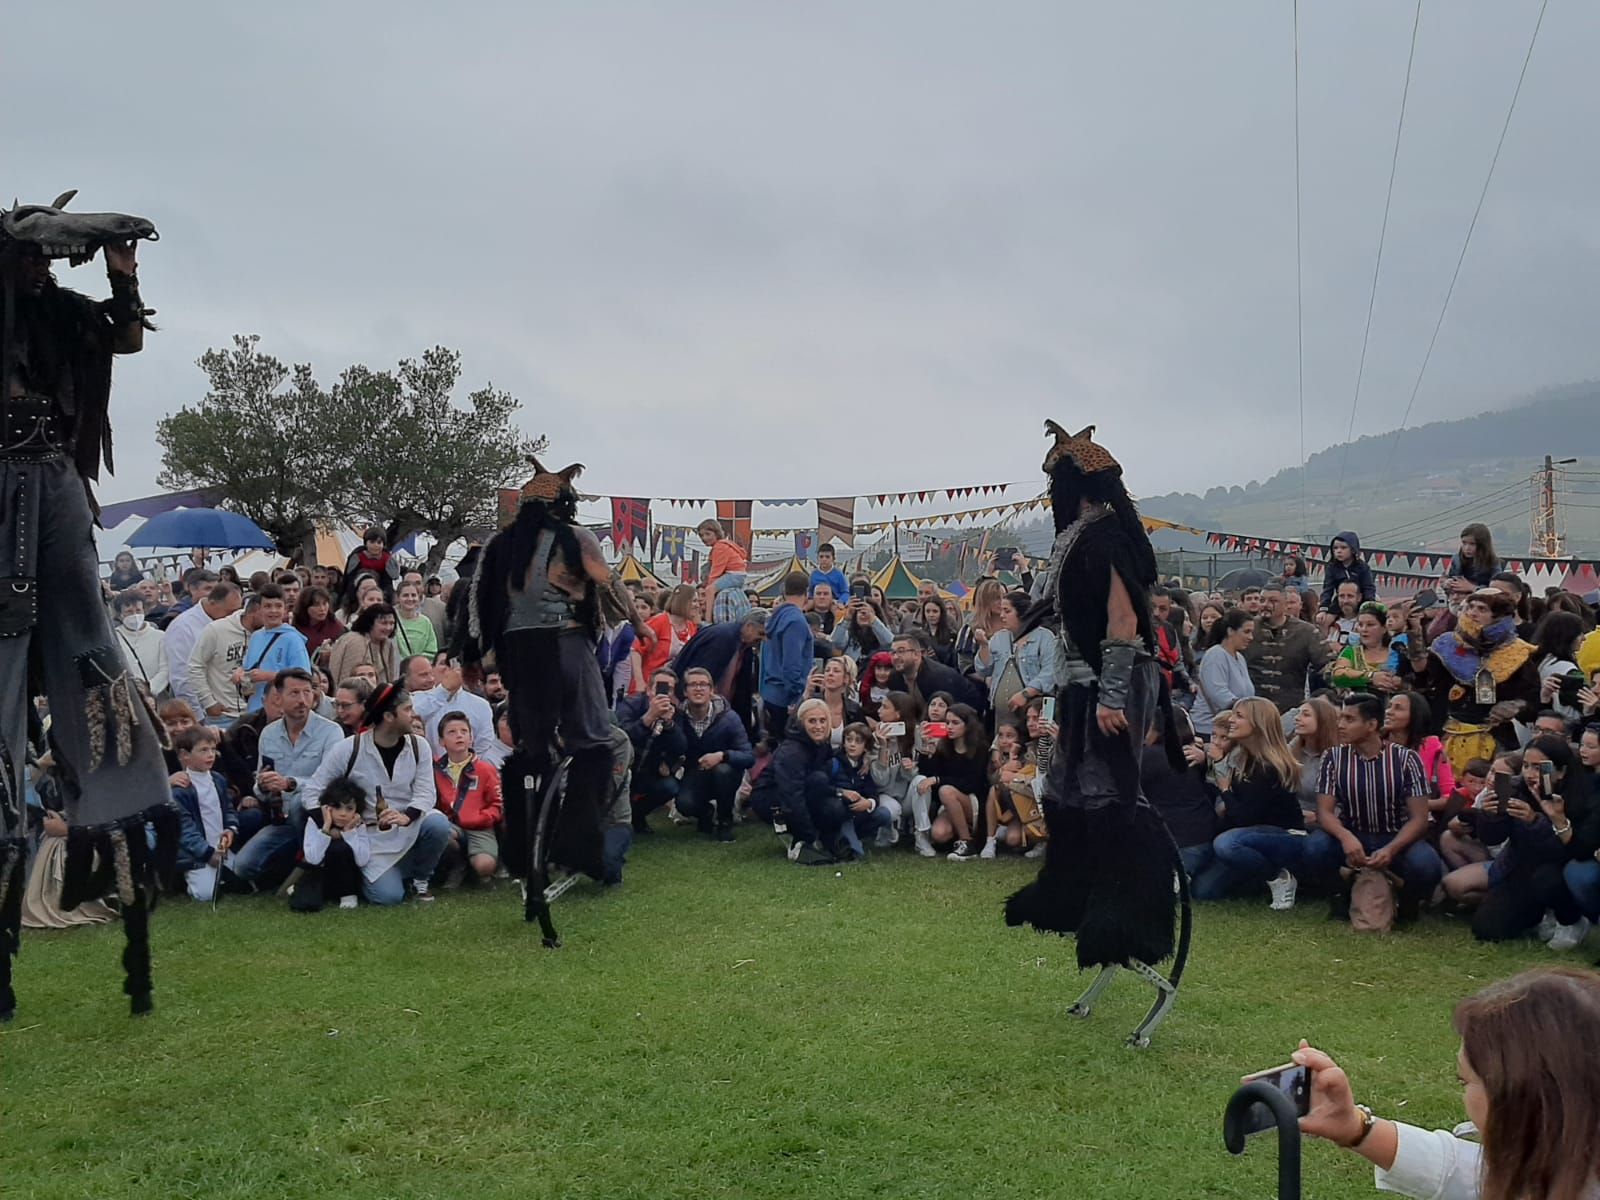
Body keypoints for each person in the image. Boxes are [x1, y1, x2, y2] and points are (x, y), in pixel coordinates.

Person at [1003, 422, 1188, 1046]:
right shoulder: (1076, 538)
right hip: (1084, 682)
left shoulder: (1103, 537)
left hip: (1115, 682)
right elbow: (1064, 616)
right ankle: (1069, 893)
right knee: (1065, 790)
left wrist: (1110, 697)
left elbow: (1122, 619)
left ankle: (1132, 921)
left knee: (1114, 798)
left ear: (1074, 486)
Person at [459, 456, 646, 886]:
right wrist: (636, 624)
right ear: (564, 504)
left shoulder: (499, 546)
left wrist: (483, 654)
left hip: (518, 653)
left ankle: (525, 854)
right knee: (594, 741)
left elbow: (480, 607)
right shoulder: (574, 537)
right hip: (566, 645)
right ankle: (578, 845)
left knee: (532, 753)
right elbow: (609, 584)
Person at [1297, 968, 1600, 1200]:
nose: (1464, 1097)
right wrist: (1355, 1126)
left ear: (1519, 1099)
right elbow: (1463, 1170)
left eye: (1465, 1080)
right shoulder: (1570, 1164)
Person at [301, 683, 449, 905]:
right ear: (389, 716)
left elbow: (426, 793)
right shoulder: (348, 748)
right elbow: (312, 792)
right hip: (370, 838)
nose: (413, 715)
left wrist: (407, 816)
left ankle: (421, 881)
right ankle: (371, 876)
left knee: (438, 823)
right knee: (388, 897)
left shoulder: (420, 746)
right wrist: (333, 825)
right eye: (407, 709)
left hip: (409, 826)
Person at [1301, 693, 1443, 921]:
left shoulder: (1406, 759)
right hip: (1354, 832)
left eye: (1349, 719)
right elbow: (1324, 812)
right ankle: (1340, 896)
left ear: (1371, 725)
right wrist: (1346, 837)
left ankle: (1408, 903)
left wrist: (1392, 849)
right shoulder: (1334, 757)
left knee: (1427, 866)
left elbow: (1419, 818)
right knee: (1314, 848)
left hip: (1397, 835)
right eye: (1341, 718)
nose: (1340, 725)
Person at [1447, 737, 1596, 947]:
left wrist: (1535, 821)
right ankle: (1535, 916)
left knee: (1547, 879)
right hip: (1520, 867)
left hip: (1558, 871)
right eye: (1526, 766)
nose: (1530, 774)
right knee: (1487, 929)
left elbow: (1568, 850)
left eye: (1539, 768)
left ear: (1561, 772)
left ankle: (1570, 919)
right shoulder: (1513, 787)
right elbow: (1493, 838)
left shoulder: (1578, 797)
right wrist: (1490, 816)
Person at [227, 668, 346, 891]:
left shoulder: (331, 732)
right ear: (278, 698)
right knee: (243, 867)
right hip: (281, 820)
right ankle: (289, 872)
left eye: (307, 692)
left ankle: (313, 870)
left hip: (317, 820)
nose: (302, 700)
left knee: (301, 800)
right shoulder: (269, 734)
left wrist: (291, 783)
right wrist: (262, 785)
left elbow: (332, 785)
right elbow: (260, 783)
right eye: (294, 693)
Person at [1409, 588, 1540, 775]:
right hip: (1448, 733)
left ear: (1499, 616)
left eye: (1482, 609)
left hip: (1496, 739)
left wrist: (1515, 706)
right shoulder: (1448, 645)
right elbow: (1424, 677)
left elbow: (1533, 699)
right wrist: (1414, 633)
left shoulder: (1516, 653)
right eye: (1470, 607)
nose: (1473, 613)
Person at [1198, 697, 1305, 908]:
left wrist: (1226, 789)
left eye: (1239, 716)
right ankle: (1255, 881)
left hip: (1284, 837)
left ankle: (1279, 877)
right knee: (1203, 891)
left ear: (1258, 724)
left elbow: (1244, 816)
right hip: (1247, 833)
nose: (1231, 720)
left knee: (1227, 844)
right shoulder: (1242, 759)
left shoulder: (1270, 766)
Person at [748, 697, 845, 865]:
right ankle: (801, 839)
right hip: (770, 798)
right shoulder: (792, 751)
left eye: (823, 721)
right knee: (819, 783)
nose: (818, 726)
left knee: (834, 804)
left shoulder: (822, 743)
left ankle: (827, 840)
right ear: (801, 723)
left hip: (799, 792)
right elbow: (791, 796)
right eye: (812, 721)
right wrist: (808, 835)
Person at [671, 667, 755, 842]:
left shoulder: (729, 718)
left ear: (712, 690)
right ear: (685, 691)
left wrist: (722, 756)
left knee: (723, 771)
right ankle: (706, 813)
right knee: (684, 804)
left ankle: (725, 820)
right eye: (693, 685)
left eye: (703, 684)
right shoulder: (677, 717)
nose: (699, 689)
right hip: (694, 773)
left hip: (726, 773)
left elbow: (748, 757)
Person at [432, 710, 503, 884]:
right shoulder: (434, 771)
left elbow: (497, 803)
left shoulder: (486, 770)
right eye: (452, 732)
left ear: (471, 738)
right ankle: (457, 865)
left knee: (484, 865)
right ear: (441, 741)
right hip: (451, 826)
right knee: (442, 835)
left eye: (464, 732)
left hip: (479, 827)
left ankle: (478, 868)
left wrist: (482, 817)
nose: (459, 736)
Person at [169, 727, 238, 903]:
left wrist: (231, 828)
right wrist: (207, 854)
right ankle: (184, 880)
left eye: (213, 749)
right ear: (185, 755)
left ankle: (223, 875)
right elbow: (184, 830)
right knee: (205, 895)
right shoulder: (181, 790)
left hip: (222, 848)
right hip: (198, 854)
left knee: (244, 876)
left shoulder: (218, 780)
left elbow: (228, 809)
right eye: (203, 750)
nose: (211, 755)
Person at [1242, 581, 1329, 712]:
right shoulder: (1247, 628)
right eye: (1262, 600)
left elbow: (1326, 665)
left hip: (1290, 708)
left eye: (1273, 601)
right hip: (1252, 708)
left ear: (1285, 604)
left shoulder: (1306, 631)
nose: (1266, 605)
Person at [973, 590, 1055, 717]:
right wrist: (984, 646)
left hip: (1032, 714)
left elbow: (1049, 673)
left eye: (1007, 611)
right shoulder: (998, 638)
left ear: (1022, 614)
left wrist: (1025, 694)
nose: (1001, 615)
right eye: (1001, 611)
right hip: (1000, 716)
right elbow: (984, 670)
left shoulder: (1044, 637)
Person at [234, 583, 312, 714]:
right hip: (255, 707)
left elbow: (304, 676)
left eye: (278, 606)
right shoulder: (256, 636)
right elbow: (248, 666)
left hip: (281, 709)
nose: (273, 611)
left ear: (285, 610)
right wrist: (239, 673)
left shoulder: (292, 639)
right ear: (260, 609)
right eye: (268, 606)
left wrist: (268, 676)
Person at [188, 592, 261, 729]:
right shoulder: (216, 630)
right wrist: (208, 703)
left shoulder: (270, 634)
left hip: (258, 714)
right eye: (267, 609)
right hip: (223, 716)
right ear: (254, 611)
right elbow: (195, 666)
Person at [297, 780, 371, 910]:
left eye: (349, 808)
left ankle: (348, 895)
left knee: (340, 848)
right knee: (305, 903)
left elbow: (362, 860)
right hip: (322, 876)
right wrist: (326, 827)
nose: (343, 813)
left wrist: (349, 831)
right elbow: (313, 859)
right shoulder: (314, 821)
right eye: (337, 807)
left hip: (350, 879)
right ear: (327, 807)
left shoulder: (359, 825)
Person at [405, 656, 496, 761]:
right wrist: (444, 690)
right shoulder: (416, 698)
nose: (448, 669)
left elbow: (484, 747)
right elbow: (408, 718)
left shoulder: (481, 705)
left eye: (452, 664)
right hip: (427, 768)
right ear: (433, 669)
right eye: (443, 663)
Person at [759, 571, 814, 736]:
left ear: (784, 591)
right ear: (807, 592)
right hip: (786, 698)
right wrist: (796, 696)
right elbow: (791, 665)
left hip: (770, 692)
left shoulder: (775, 617)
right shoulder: (795, 621)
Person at [1384, 691, 1454, 809]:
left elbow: (1449, 797)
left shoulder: (1432, 748)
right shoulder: (1375, 745)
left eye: (1398, 708)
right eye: (1389, 706)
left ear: (1415, 715)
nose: (1388, 712)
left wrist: (1416, 806)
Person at [1191, 609, 1256, 736]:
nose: (1251, 637)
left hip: (1233, 727)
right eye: (1246, 632)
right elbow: (1219, 695)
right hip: (1209, 729)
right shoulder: (1216, 655)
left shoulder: (1240, 657)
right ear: (1230, 631)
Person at [870, 691, 921, 849]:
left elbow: (914, 776)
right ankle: (888, 827)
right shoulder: (875, 738)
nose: (879, 711)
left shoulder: (915, 734)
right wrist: (883, 747)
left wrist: (911, 769)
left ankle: (922, 837)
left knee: (921, 781)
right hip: (885, 795)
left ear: (898, 714)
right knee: (891, 810)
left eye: (885, 707)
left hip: (906, 795)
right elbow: (881, 781)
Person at [831, 722, 889, 859]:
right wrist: (842, 793)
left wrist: (869, 803)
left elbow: (873, 793)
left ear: (865, 747)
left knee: (884, 814)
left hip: (857, 814)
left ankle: (853, 838)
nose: (852, 744)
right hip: (840, 814)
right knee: (857, 855)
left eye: (858, 741)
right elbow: (824, 787)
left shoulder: (865, 766)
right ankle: (845, 842)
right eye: (849, 739)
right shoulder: (834, 761)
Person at [887, 629, 978, 713]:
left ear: (916, 654)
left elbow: (951, 711)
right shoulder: (894, 677)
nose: (895, 657)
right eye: (893, 652)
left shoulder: (938, 677)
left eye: (901, 651)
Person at [1330, 601, 1403, 694]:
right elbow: (1337, 675)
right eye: (1360, 625)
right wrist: (1371, 677)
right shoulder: (1351, 651)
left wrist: (1399, 683)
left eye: (1370, 625)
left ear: (1384, 628)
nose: (1364, 629)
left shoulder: (1397, 651)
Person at [112, 589, 170, 699]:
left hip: (157, 698)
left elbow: (165, 669)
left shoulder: (159, 636)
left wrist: (149, 689)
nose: (134, 615)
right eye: (129, 612)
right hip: (128, 698)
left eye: (138, 610)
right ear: (120, 615)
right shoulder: (115, 638)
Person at [326, 603, 400, 688]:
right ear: (370, 623)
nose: (388, 628)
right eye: (384, 623)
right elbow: (346, 678)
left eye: (392, 623)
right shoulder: (355, 642)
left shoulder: (388, 643)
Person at [697, 518, 751, 624]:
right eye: (702, 535)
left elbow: (716, 570)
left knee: (709, 590)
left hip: (734, 574)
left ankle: (708, 619)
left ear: (716, 533)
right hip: (737, 574)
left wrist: (709, 585)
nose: (704, 538)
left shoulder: (719, 547)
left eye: (707, 534)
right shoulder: (722, 545)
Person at [639, 584, 698, 680]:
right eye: (694, 601)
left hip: (676, 683)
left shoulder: (691, 627)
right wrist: (639, 681)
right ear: (683, 602)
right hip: (651, 681)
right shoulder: (660, 621)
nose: (697, 605)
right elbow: (636, 649)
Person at [955, 578, 1006, 676]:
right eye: (996, 598)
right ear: (985, 601)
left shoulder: (1013, 626)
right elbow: (965, 666)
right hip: (979, 685)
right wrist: (985, 679)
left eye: (1004, 597)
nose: (1001, 602)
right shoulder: (970, 630)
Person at [1319, 531, 1376, 610]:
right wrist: (1323, 607)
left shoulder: (1363, 567)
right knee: (1325, 620)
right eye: (1335, 548)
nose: (1339, 551)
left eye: (1343, 548)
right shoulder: (1331, 567)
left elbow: (1368, 588)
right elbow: (1327, 589)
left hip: (1362, 602)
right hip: (1341, 602)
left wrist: (1369, 604)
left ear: (1353, 549)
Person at [342, 527, 401, 604]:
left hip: (382, 591)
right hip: (357, 590)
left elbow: (389, 581)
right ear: (366, 543)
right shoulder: (357, 557)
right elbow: (349, 579)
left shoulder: (387, 559)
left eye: (379, 542)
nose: (375, 545)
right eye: (372, 542)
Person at [831, 595, 893, 666]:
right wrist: (846, 619)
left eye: (868, 612)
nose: (863, 615)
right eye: (860, 611)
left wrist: (874, 621)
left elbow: (890, 643)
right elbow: (835, 642)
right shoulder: (848, 632)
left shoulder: (882, 630)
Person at [292, 586, 345, 663]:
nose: (322, 609)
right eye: (316, 605)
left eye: (324, 603)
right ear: (305, 606)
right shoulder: (294, 625)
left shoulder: (335, 625)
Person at [393, 580, 438, 663]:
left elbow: (432, 651)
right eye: (405, 595)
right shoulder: (391, 620)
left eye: (413, 595)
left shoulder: (425, 622)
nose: (410, 599)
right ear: (398, 598)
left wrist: (415, 661)